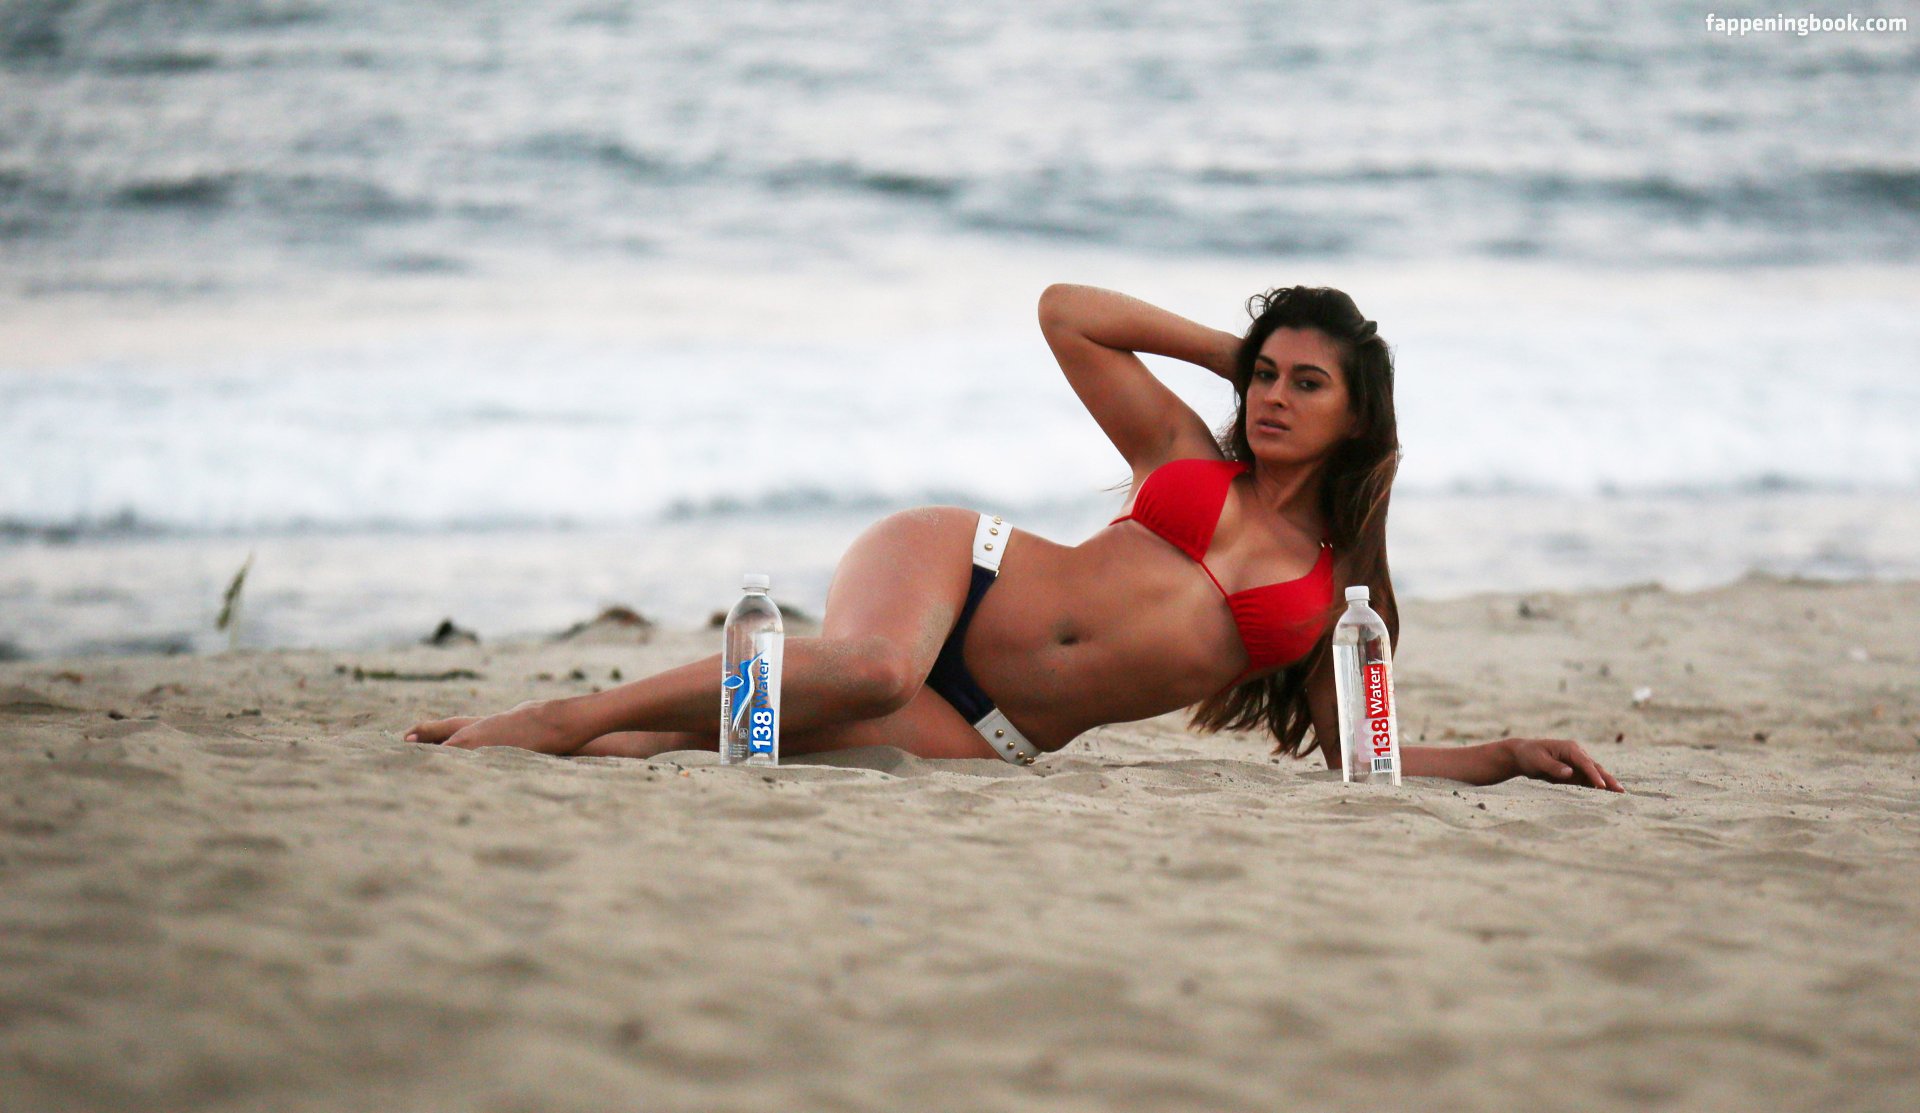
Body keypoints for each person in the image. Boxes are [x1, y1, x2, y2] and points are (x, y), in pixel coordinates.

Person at [406, 284, 1623, 792]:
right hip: (960, 570)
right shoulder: (1186, 456)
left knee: (734, 746)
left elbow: (1366, 759)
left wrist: (1507, 755)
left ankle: (570, 739)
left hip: (990, 731)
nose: (1273, 395)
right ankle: (553, 714)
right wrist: (1227, 349)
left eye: (1308, 384)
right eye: (1269, 375)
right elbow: (1066, 314)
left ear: (1359, 418)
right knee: (868, 666)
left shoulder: (1332, 595)